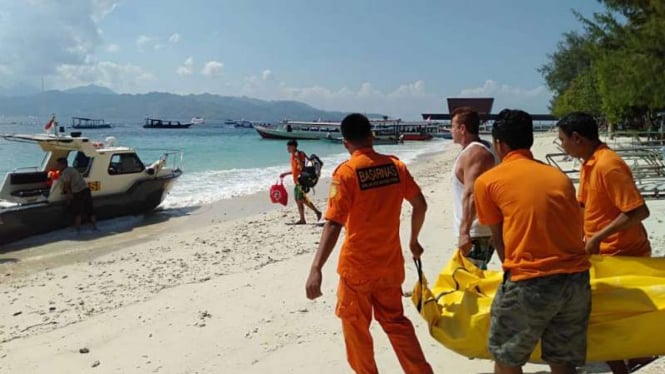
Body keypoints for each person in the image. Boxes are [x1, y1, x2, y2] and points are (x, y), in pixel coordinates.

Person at [305, 113, 433, 374]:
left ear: (345, 143)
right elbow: (420, 204)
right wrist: (413, 240)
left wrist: (316, 267)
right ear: (372, 136)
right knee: (397, 324)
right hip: (389, 265)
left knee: (356, 330)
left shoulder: (347, 173)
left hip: (358, 269)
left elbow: (333, 223)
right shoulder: (396, 167)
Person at [474, 109, 591, 374]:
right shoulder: (558, 177)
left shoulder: (488, 181)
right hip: (575, 281)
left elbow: (499, 239)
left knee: (507, 358)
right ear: (530, 141)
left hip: (531, 280)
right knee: (562, 361)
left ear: (499, 144)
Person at [556, 112, 654, 374]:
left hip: (624, 257)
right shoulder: (589, 163)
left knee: (599, 319)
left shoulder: (608, 165)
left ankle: (631, 361)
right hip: (601, 256)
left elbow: (638, 211)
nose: (561, 145)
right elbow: (584, 207)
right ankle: (626, 363)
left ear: (577, 138)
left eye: (562, 140)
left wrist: (598, 236)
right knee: (599, 320)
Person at [450, 106, 496, 269]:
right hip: (478, 231)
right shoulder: (483, 148)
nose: (451, 131)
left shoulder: (475, 153)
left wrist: (464, 232)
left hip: (477, 233)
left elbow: (472, 194)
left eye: (453, 126)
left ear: (462, 129)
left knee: (470, 285)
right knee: (472, 283)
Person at [280, 139, 322, 224]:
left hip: (301, 181)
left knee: (299, 200)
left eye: (288, 147)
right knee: (301, 199)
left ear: (293, 147)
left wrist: (298, 159)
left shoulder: (299, 155)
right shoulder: (293, 156)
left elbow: (302, 168)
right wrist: (286, 173)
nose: (287, 148)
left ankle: (303, 219)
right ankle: (316, 212)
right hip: (297, 181)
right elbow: (295, 170)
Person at [57, 157, 97, 231]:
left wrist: (69, 195)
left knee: (77, 211)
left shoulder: (65, 172)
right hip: (86, 189)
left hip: (78, 192)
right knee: (90, 209)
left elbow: (67, 184)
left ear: (63, 165)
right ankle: (94, 226)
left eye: (58, 165)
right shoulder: (72, 169)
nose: (57, 166)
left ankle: (77, 228)